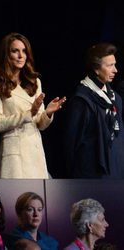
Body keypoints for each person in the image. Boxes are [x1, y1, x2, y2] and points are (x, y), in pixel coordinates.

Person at [0, 32, 66, 178]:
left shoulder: (34, 81)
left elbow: (40, 124)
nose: (20, 56)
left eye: (24, 51)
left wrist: (47, 113)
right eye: (15, 51)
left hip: (35, 151)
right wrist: (28, 113)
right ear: (6, 54)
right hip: (14, 154)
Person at [64, 43, 124, 178]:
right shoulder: (82, 101)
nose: (115, 70)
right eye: (110, 66)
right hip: (91, 176)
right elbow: (71, 146)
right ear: (96, 69)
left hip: (116, 173)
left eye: (114, 64)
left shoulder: (116, 99)